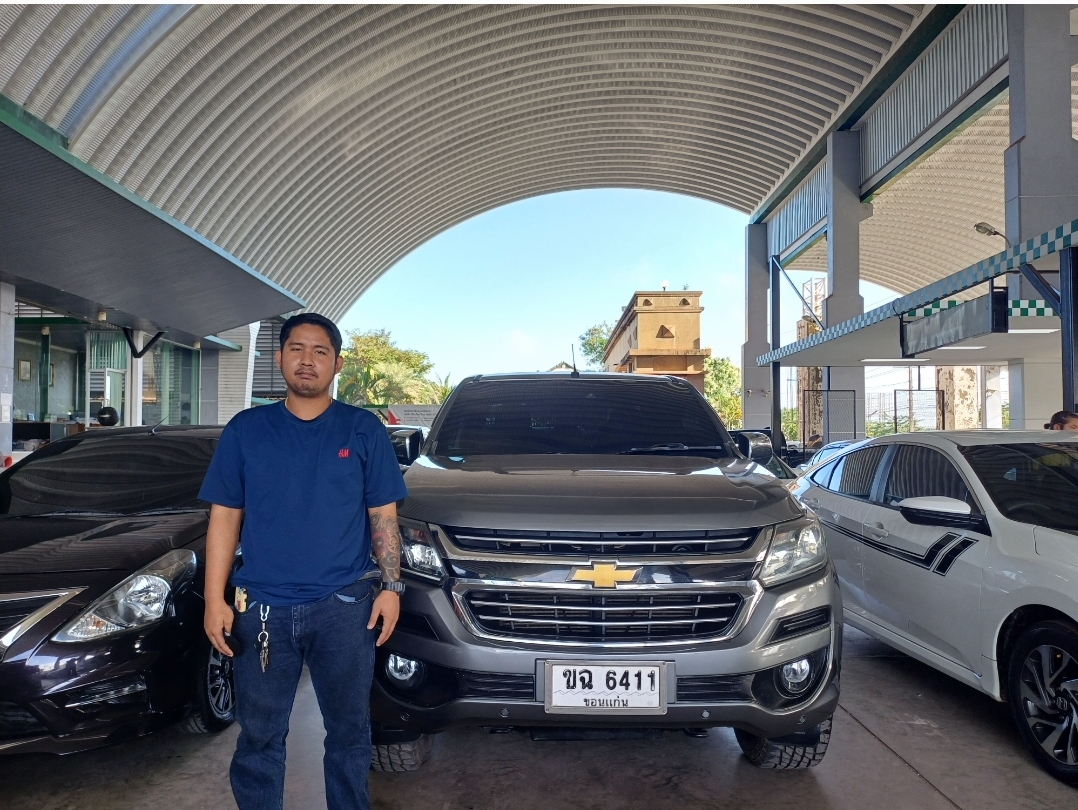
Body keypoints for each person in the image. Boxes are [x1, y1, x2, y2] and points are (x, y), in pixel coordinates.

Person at [200, 312, 407, 810]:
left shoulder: (362, 430)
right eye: (297, 349)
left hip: (345, 607)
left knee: (350, 734)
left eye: (319, 351)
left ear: (337, 363)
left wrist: (391, 588)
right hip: (262, 608)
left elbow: (383, 516)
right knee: (259, 738)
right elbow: (224, 518)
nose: (307, 360)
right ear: (279, 358)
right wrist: (213, 599)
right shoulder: (247, 430)